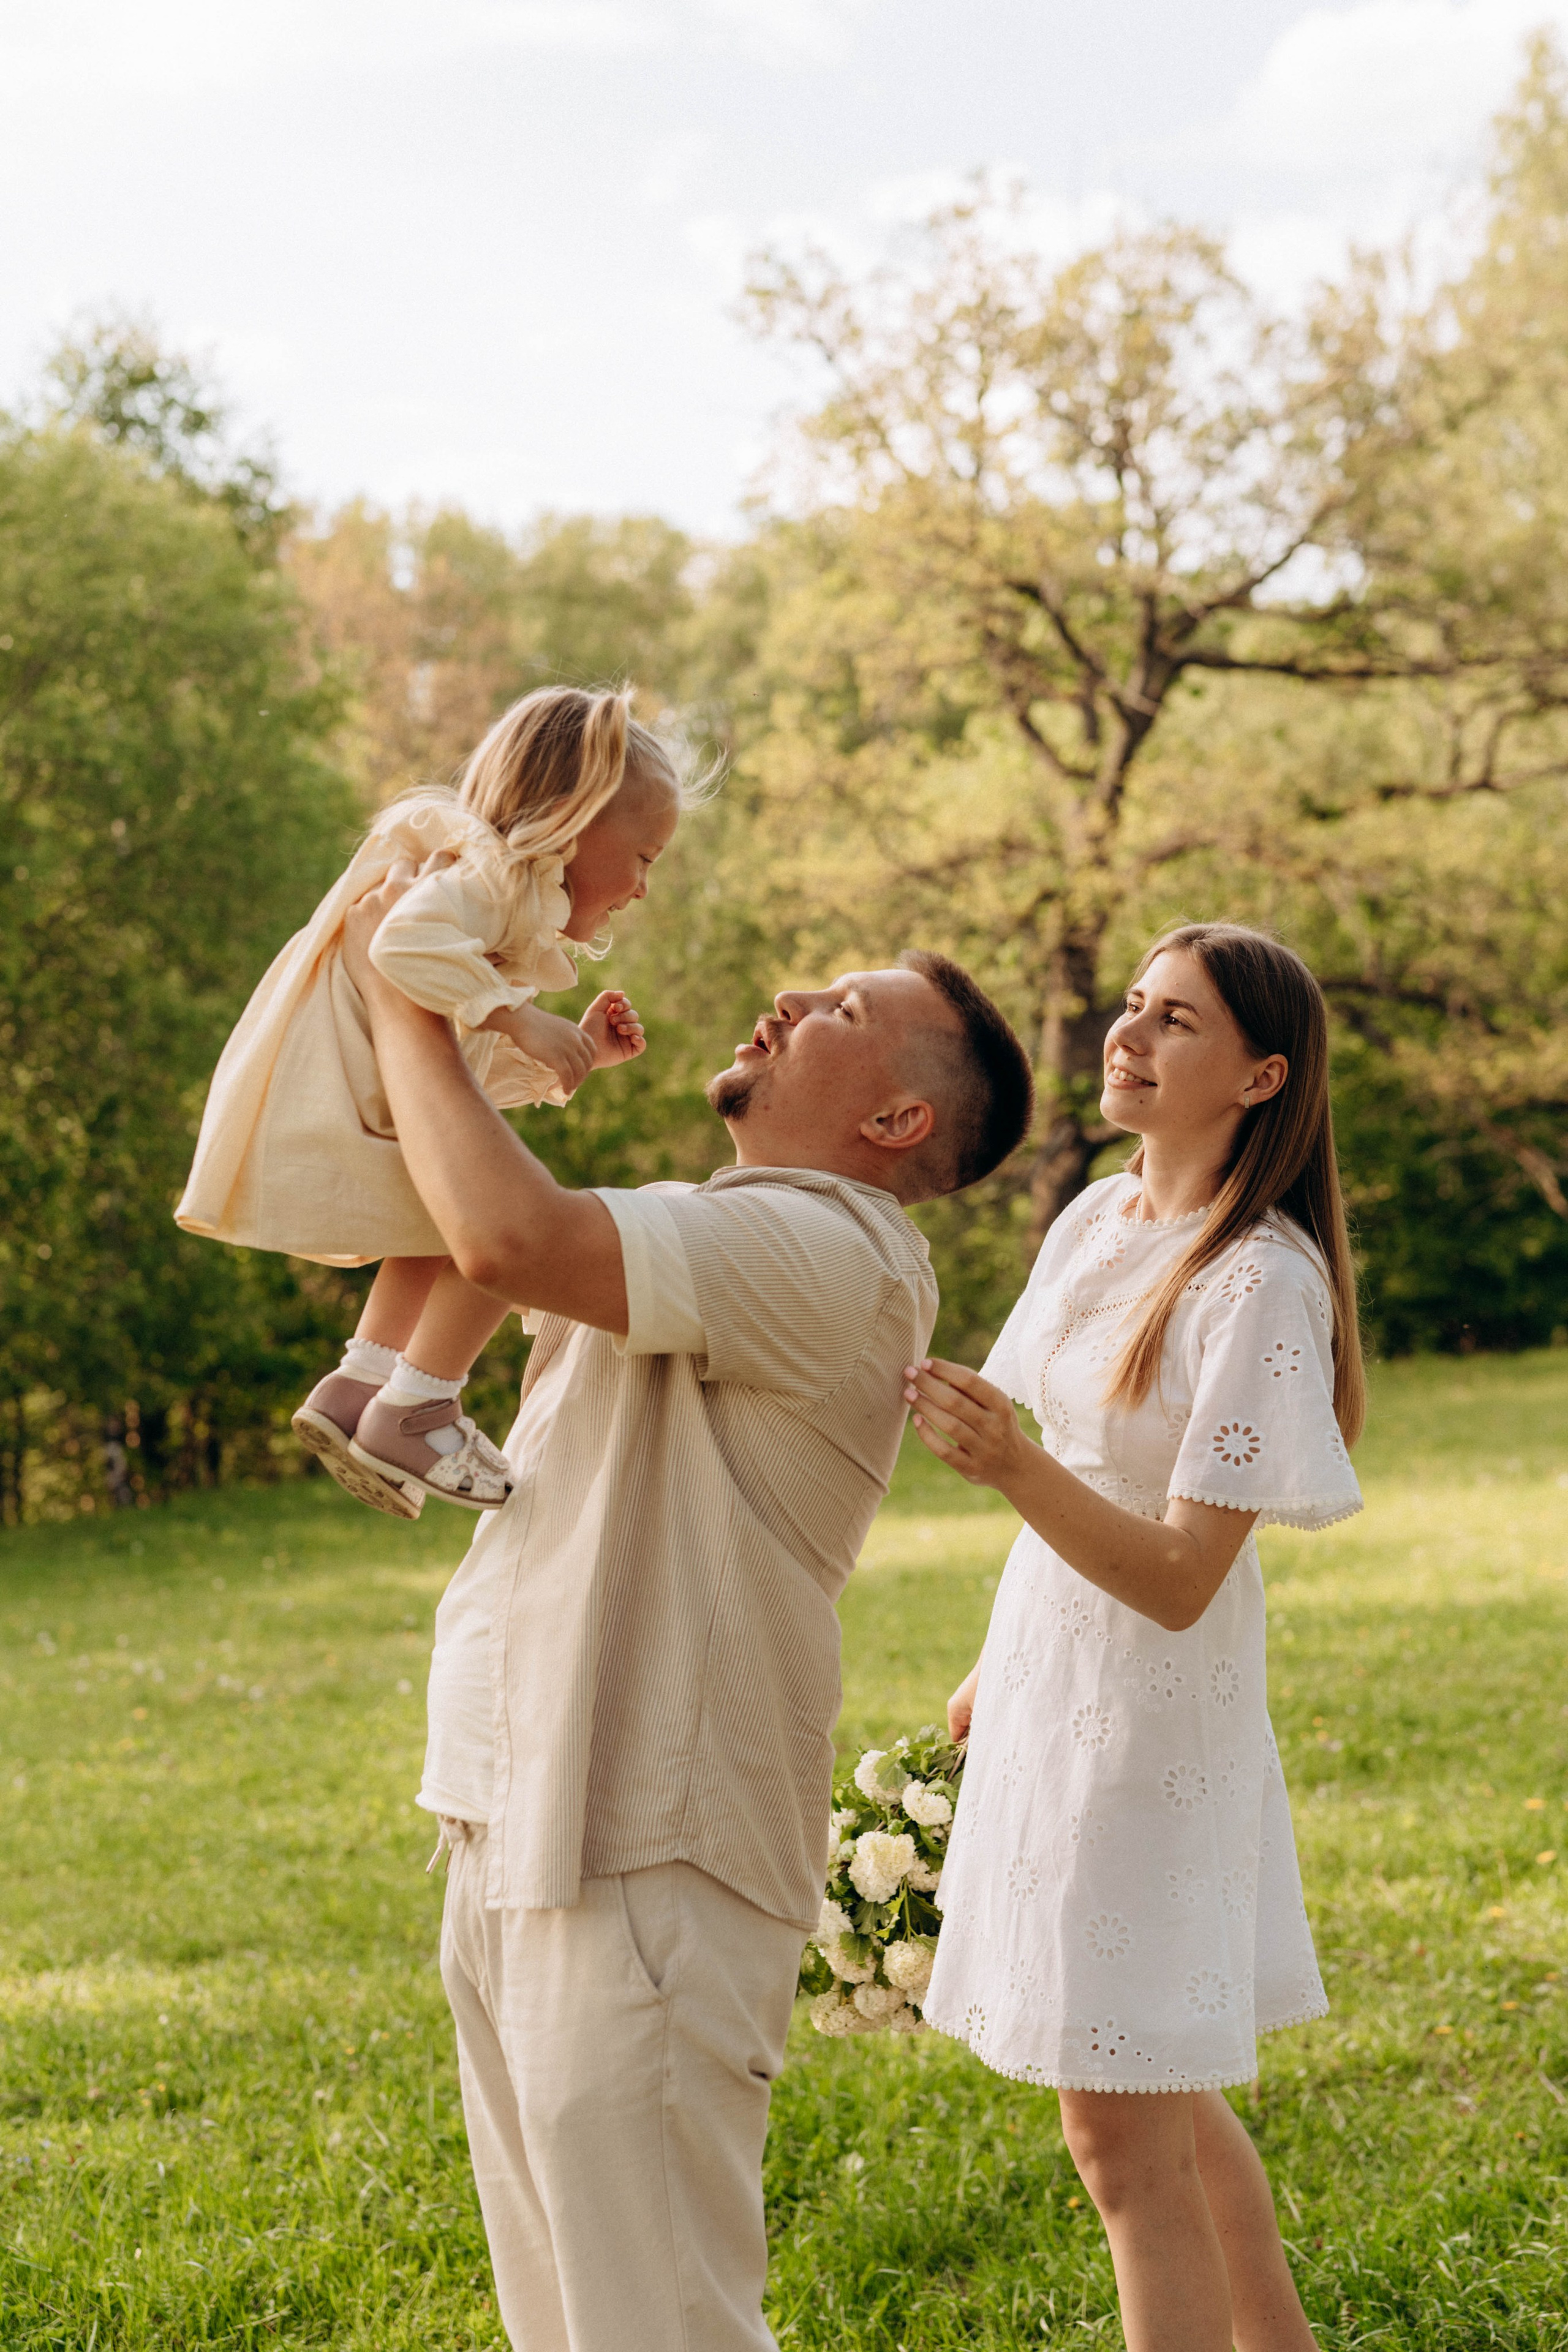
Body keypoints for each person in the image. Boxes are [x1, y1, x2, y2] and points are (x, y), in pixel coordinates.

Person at [334, 863, 1032, 2352]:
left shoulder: (831, 1253)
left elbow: (506, 1238)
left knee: (658, 2325)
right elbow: (452, 1220)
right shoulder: (710, 1225)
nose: (788, 999)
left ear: (895, 1123)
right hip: (522, 1817)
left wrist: (411, 992)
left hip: (651, 1844)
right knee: (562, 2322)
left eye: (842, 1010)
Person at [905, 924, 1364, 2352]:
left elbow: (1177, 1580)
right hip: (1051, 1675)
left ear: (1259, 1076)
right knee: (1156, 2087)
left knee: (1116, 2135)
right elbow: (1073, 1462)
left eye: (1176, 1021)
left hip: (1149, 1719)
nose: (1128, 1035)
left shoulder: (1260, 1283)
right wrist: (997, 1668)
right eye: (1132, 1005)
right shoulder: (1096, 1219)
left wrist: (1007, 1469)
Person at [176, 685, 683, 1517]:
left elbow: (461, 1076)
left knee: (454, 1210)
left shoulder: (496, 915)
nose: (643, 888)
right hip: (337, 1107)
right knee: (505, 1226)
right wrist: (520, 1017)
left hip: (365, 1103)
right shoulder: (482, 879)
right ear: (573, 823)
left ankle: (360, 1385)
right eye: (646, 857)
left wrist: (571, 1055)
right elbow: (400, 944)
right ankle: (420, 1404)